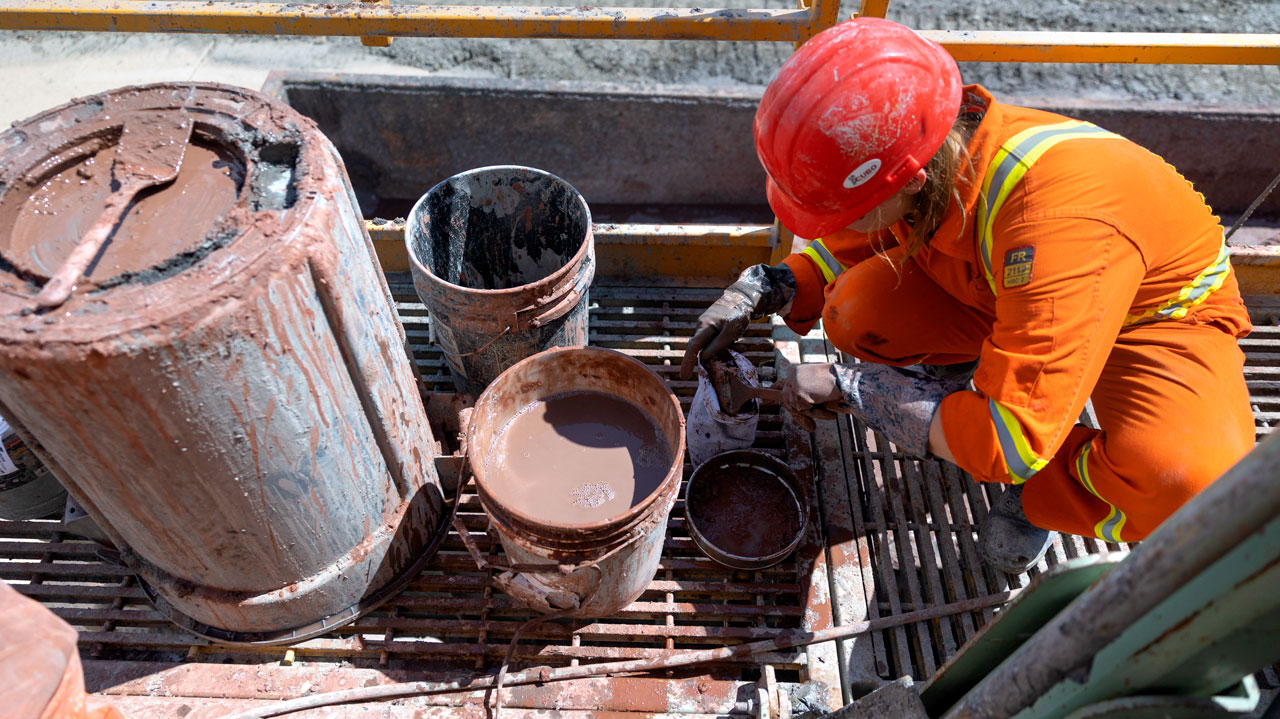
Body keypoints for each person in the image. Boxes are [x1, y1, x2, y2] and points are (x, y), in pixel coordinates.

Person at [681, 17, 1255, 573]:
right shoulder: (937, 150)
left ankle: (1035, 485)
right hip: (1010, 285)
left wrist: (859, 388)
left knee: (1178, 484)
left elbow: (1013, 443)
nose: (836, 224)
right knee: (859, 315)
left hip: (1151, 317)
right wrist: (776, 285)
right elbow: (877, 229)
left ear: (910, 180)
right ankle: (969, 396)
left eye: (843, 208)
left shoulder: (1053, 219)